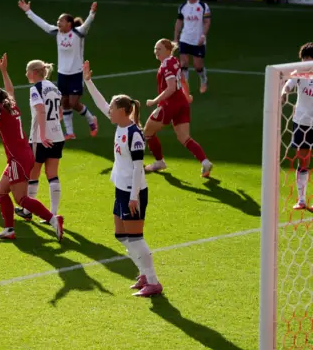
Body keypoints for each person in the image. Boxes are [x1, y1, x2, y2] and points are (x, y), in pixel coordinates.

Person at [0, 54, 65, 241]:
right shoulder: (12, 105)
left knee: (21, 199)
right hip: (21, 156)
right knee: (1, 192)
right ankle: (9, 229)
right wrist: (4, 72)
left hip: (18, 158)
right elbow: (9, 90)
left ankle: (53, 220)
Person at [82, 60, 162, 297]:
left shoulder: (134, 135)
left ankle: (153, 281)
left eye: (113, 109)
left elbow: (139, 168)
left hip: (132, 191)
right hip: (121, 188)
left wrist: (134, 196)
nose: (109, 111)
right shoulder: (120, 126)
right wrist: (88, 81)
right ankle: (143, 273)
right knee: (121, 234)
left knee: (135, 237)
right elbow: (100, 103)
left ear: (124, 112)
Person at [18, 0, 99, 140]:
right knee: (64, 102)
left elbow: (87, 25)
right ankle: (69, 132)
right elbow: (42, 24)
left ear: (69, 24)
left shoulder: (78, 33)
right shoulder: (57, 33)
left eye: (61, 21)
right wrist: (28, 11)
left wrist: (92, 13)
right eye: (58, 20)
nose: (58, 23)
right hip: (63, 74)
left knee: (74, 103)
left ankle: (91, 120)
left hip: (76, 73)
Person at [142, 39, 212, 177]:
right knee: (184, 137)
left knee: (147, 132)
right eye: (155, 49)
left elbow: (171, 87)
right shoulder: (174, 61)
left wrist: (154, 101)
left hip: (169, 105)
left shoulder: (166, 65)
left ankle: (159, 161)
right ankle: (205, 162)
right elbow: (183, 81)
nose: (156, 52)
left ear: (168, 50)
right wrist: (187, 95)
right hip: (182, 104)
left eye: (159, 49)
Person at [15, 59, 65, 223]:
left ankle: (27, 210)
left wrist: (42, 135)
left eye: (27, 71)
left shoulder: (35, 89)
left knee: (33, 174)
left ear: (34, 73)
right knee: (52, 175)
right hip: (57, 136)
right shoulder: (55, 88)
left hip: (39, 139)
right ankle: (54, 213)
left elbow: (41, 111)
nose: (26, 74)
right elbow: (60, 114)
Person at [281, 43, 313, 211]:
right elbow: (288, 85)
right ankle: (301, 199)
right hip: (302, 122)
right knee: (303, 158)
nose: (305, 62)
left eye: (308, 59)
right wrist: (284, 94)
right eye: (303, 58)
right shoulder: (299, 73)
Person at [174, 0, 211, 94]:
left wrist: (203, 35)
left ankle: (204, 79)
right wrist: (176, 37)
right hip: (185, 38)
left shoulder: (203, 6)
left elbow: (207, 22)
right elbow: (179, 21)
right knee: (184, 63)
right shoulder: (183, 6)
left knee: (197, 66)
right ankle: (185, 88)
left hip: (197, 40)